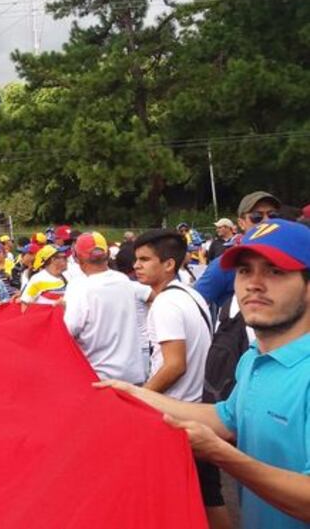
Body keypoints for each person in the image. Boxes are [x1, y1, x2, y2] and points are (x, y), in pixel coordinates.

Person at [97, 218, 310, 528]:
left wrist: (223, 456)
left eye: (275, 271)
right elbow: (226, 418)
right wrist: (131, 392)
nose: (254, 283)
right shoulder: (254, 359)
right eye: (244, 271)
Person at [133, 230, 212, 401]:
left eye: (144, 259)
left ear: (169, 265)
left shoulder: (166, 303)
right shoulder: (191, 294)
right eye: (137, 259)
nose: (136, 265)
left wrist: (140, 397)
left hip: (176, 406)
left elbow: (175, 366)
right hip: (198, 401)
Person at [63, 232, 147, 384]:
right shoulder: (123, 280)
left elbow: (68, 330)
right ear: (107, 254)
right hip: (133, 374)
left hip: (101, 377)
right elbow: (152, 295)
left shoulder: (78, 287)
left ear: (77, 258)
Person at [196, 191, 282, 305]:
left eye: (273, 215)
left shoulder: (294, 256)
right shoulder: (224, 265)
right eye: (257, 216)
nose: (266, 221)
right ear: (241, 223)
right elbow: (192, 303)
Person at [20, 245, 68, 309]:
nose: (67, 259)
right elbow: (25, 304)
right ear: (52, 260)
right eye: (64, 257)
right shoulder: (38, 279)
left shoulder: (67, 275)